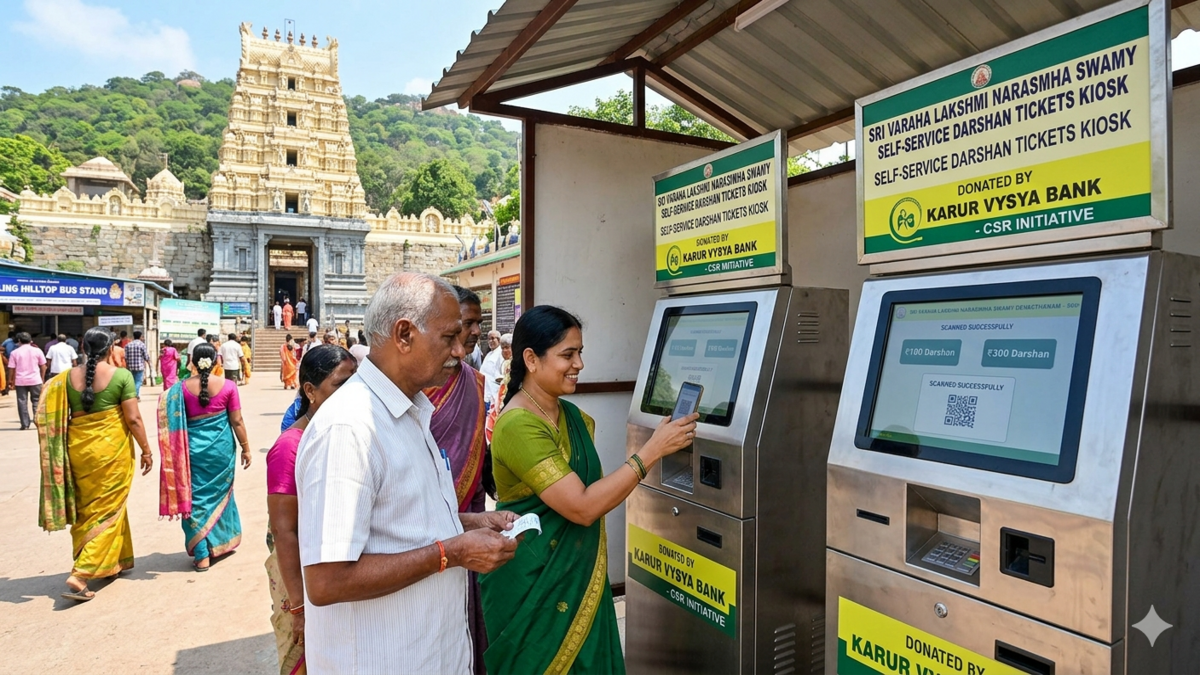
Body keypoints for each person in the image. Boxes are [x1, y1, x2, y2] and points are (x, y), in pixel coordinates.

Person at [294, 272, 520, 673]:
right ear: (403, 335)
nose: (459, 351)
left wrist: (467, 523)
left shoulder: (410, 412)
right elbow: (328, 580)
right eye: (449, 338)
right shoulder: (350, 428)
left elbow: (400, 520)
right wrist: (451, 553)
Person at [482, 306, 698, 674]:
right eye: (567, 354)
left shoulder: (572, 417)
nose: (579, 364)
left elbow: (590, 495)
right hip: (535, 588)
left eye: (580, 352)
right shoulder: (518, 425)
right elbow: (581, 507)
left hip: (578, 579)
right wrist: (652, 451)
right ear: (531, 359)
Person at [37, 328, 154, 601]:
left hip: (78, 451)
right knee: (109, 508)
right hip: (111, 452)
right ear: (111, 348)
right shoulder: (121, 376)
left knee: (92, 509)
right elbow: (134, 419)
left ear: (84, 346)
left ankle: (112, 563)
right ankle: (82, 572)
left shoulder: (65, 379)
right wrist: (146, 450)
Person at [266, 344, 358, 675]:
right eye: (340, 384)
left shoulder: (347, 434)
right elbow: (284, 531)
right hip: (304, 580)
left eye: (356, 382)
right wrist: (300, 607)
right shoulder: (290, 447)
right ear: (310, 390)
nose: (353, 393)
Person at [420, 285, 491, 672]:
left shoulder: (475, 382)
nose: (475, 332)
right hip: (422, 533)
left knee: (468, 617)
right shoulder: (411, 389)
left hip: (471, 516)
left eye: (479, 324)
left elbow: (476, 444)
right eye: (466, 324)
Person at [157, 343, 252, 572]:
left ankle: (201, 555)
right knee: (219, 496)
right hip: (220, 452)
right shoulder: (228, 386)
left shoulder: (179, 390)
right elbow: (237, 421)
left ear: (192, 361)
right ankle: (218, 545)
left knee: (195, 498)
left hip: (191, 453)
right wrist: (246, 448)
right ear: (217, 361)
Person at [8, 333, 47, 430]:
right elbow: (43, 366)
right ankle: (38, 422)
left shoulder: (15, 353)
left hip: (21, 381)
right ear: (31, 341)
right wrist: (42, 378)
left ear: (19, 341)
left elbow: (11, 369)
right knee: (37, 401)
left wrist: (10, 381)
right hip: (35, 380)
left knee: (22, 402)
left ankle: (25, 424)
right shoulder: (37, 351)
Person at [483, 334, 513, 444]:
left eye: (507, 347)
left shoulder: (514, 363)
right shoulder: (491, 355)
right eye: (503, 348)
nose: (504, 351)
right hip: (494, 394)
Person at [479, 330, 504, 408]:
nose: (490, 341)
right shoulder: (489, 354)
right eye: (489, 339)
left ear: (499, 340)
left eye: (493, 338)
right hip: (485, 394)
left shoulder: (501, 353)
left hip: (493, 395)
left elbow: (502, 376)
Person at [124, 331, 150, 398]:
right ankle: (135, 395)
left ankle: (135, 395)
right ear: (140, 337)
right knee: (138, 382)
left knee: (132, 382)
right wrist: (149, 365)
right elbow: (146, 357)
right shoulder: (142, 345)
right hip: (139, 367)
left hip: (130, 367)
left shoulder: (128, 345)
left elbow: (125, 357)